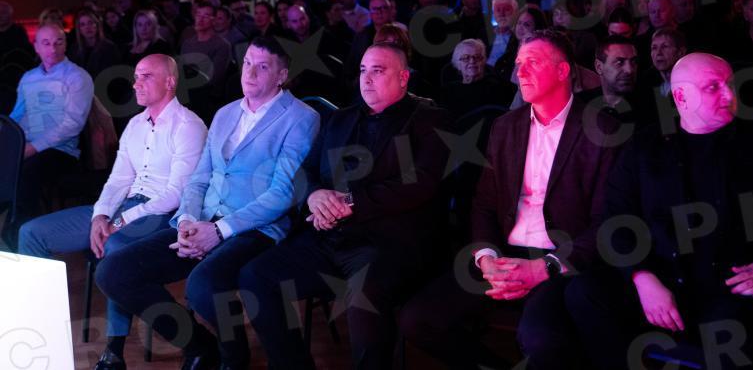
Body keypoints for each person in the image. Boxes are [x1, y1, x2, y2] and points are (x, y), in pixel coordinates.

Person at [566, 53, 753, 370]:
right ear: (681, 97)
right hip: (662, 280)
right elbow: (616, 219)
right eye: (713, 87)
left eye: (730, 84)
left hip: (733, 285)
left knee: (732, 334)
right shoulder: (645, 146)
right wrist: (642, 277)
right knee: (585, 293)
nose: (729, 96)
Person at [400, 29, 621, 369]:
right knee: (417, 319)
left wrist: (544, 267)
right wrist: (487, 257)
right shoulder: (505, 126)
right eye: (519, 63)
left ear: (562, 71)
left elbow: (605, 223)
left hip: (560, 260)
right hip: (504, 254)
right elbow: (484, 203)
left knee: (540, 339)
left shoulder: (602, 131)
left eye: (533, 62)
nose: (520, 71)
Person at [95, 37, 319, 370]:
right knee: (113, 272)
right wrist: (187, 220)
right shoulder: (225, 113)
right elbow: (198, 179)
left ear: (281, 75)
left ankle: (234, 358)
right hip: (202, 221)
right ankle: (201, 346)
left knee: (201, 286)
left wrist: (218, 230)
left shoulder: (301, 117)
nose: (250, 73)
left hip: (255, 228)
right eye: (247, 63)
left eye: (262, 67)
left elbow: (282, 193)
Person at [238, 42, 451, 370]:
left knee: (364, 298)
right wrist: (315, 197)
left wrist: (348, 203)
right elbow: (305, 173)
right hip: (327, 238)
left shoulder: (428, 119)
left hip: (386, 244)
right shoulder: (340, 118)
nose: (367, 79)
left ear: (403, 77)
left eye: (377, 71)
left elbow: (418, 184)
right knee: (255, 276)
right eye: (363, 70)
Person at [17, 54, 207, 370]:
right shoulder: (134, 124)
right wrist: (100, 216)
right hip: (122, 207)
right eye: (136, 76)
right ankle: (41, 330)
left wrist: (121, 220)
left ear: (170, 82)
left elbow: (176, 193)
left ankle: (114, 351)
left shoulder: (189, 125)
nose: (136, 84)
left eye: (146, 76)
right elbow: (118, 179)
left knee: (114, 249)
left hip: (160, 214)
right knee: (31, 233)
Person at [4, 24, 94, 247]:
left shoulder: (77, 76)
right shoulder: (29, 77)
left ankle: (23, 239)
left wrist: (31, 148)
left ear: (65, 44)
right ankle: (13, 227)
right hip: (28, 145)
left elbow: (73, 124)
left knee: (26, 173)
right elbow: (17, 115)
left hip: (61, 151)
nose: (52, 49)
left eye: (58, 42)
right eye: (46, 43)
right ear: (36, 47)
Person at [441, 39, 514, 118]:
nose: (472, 61)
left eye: (477, 57)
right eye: (466, 58)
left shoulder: (499, 86)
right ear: (457, 64)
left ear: (484, 61)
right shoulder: (448, 90)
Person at [577, 36, 640, 124]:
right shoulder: (581, 104)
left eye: (633, 62)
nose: (629, 70)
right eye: (619, 63)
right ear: (599, 67)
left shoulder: (650, 104)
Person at [180, 2, 232, 99]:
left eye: (206, 16)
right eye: (198, 15)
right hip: (186, 92)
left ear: (214, 20)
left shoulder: (222, 45)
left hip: (208, 96)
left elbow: (214, 77)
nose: (200, 19)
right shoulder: (187, 43)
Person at [0, 1, 35, 114]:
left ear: (11, 15)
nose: (0, 15)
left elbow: (25, 56)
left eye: (3, 12)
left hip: (15, 82)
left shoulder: (19, 32)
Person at [67, 9, 122, 80]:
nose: (87, 27)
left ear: (97, 25)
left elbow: (114, 74)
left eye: (90, 23)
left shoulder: (109, 48)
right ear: (79, 29)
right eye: (83, 24)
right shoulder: (74, 49)